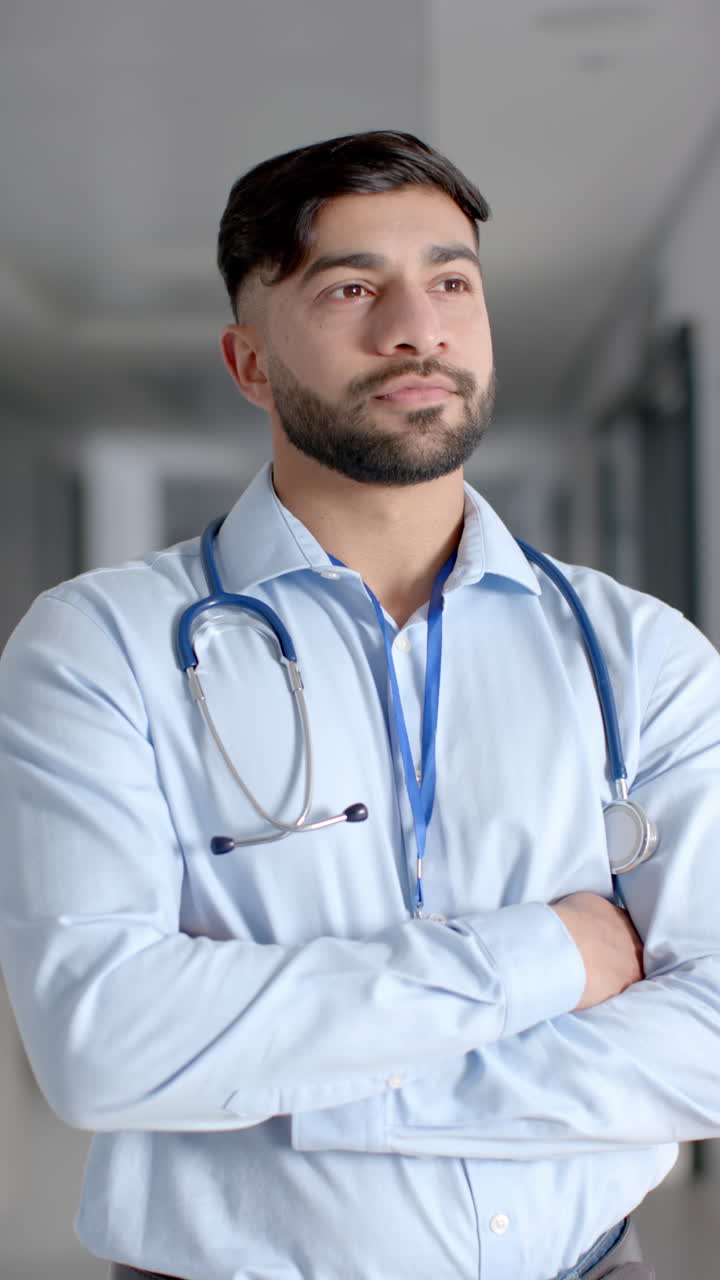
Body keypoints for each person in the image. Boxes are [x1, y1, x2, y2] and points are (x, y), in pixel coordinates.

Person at [0, 130, 718, 1280]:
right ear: (249, 362)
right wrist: (546, 956)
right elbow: (102, 1044)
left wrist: (310, 1089)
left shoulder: (643, 654)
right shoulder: (103, 648)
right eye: (349, 287)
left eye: (450, 281)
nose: (415, 326)